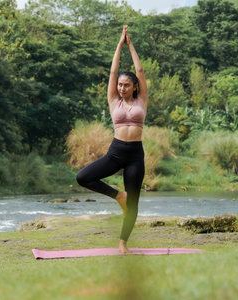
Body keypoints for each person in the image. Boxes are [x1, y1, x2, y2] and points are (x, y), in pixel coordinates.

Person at [76, 25, 148, 253]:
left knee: (134, 203)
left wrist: (131, 45)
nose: (122, 87)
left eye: (127, 85)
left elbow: (140, 69)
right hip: (116, 152)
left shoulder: (142, 100)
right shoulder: (112, 100)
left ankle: (123, 243)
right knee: (83, 177)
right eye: (120, 85)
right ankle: (118, 196)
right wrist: (119, 44)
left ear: (135, 86)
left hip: (135, 155)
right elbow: (113, 72)